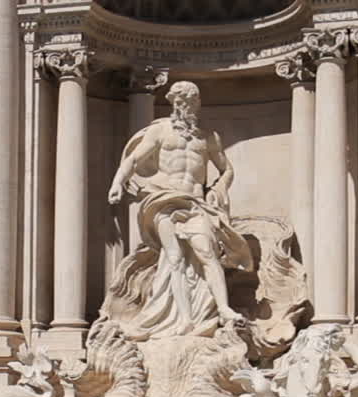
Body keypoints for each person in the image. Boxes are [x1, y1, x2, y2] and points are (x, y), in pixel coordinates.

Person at [106, 81, 252, 339]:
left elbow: (226, 169)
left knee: (207, 253)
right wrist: (118, 182)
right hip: (163, 198)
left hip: (196, 202)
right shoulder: (160, 131)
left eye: (190, 102)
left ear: (197, 103)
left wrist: (219, 189)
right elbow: (134, 159)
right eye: (180, 101)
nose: (184, 106)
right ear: (174, 103)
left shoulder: (208, 137)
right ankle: (184, 319)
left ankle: (224, 308)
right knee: (174, 258)